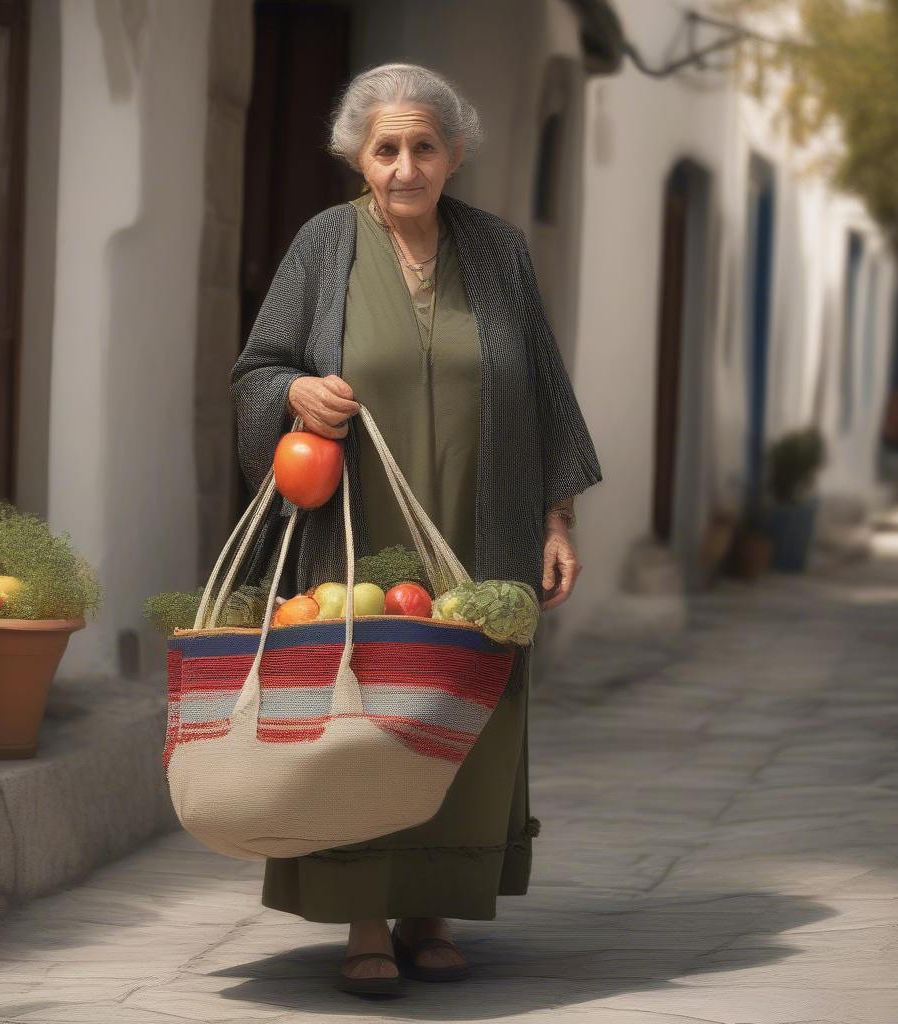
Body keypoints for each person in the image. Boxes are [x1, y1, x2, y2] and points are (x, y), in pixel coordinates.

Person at [230, 62, 603, 995]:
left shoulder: (501, 253)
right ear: (359, 155)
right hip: (359, 533)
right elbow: (257, 371)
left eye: (423, 146)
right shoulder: (324, 246)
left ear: (455, 154)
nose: (405, 166)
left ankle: (434, 910)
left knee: (462, 709)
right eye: (386, 148)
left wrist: (556, 517)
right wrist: (294, 393)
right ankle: (365, 918)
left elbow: (546, 390)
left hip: (486, 526)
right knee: (363, 711)